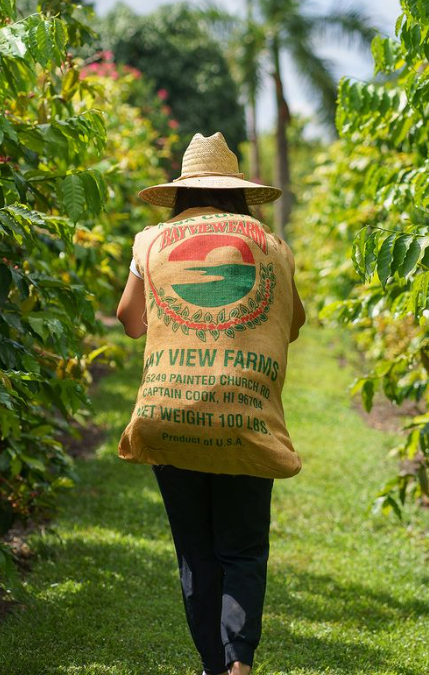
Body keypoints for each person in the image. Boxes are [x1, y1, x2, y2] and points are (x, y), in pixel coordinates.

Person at [116, 132, 306, 675]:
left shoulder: (151, 240)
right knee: (242, 550)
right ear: (238, 193)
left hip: (169, 415)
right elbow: (289, 327)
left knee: (196, 554)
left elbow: (131, 323)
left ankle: (210, 666)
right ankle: (239, 663)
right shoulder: (269, 244)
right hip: (244, 416)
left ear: (180, 192)